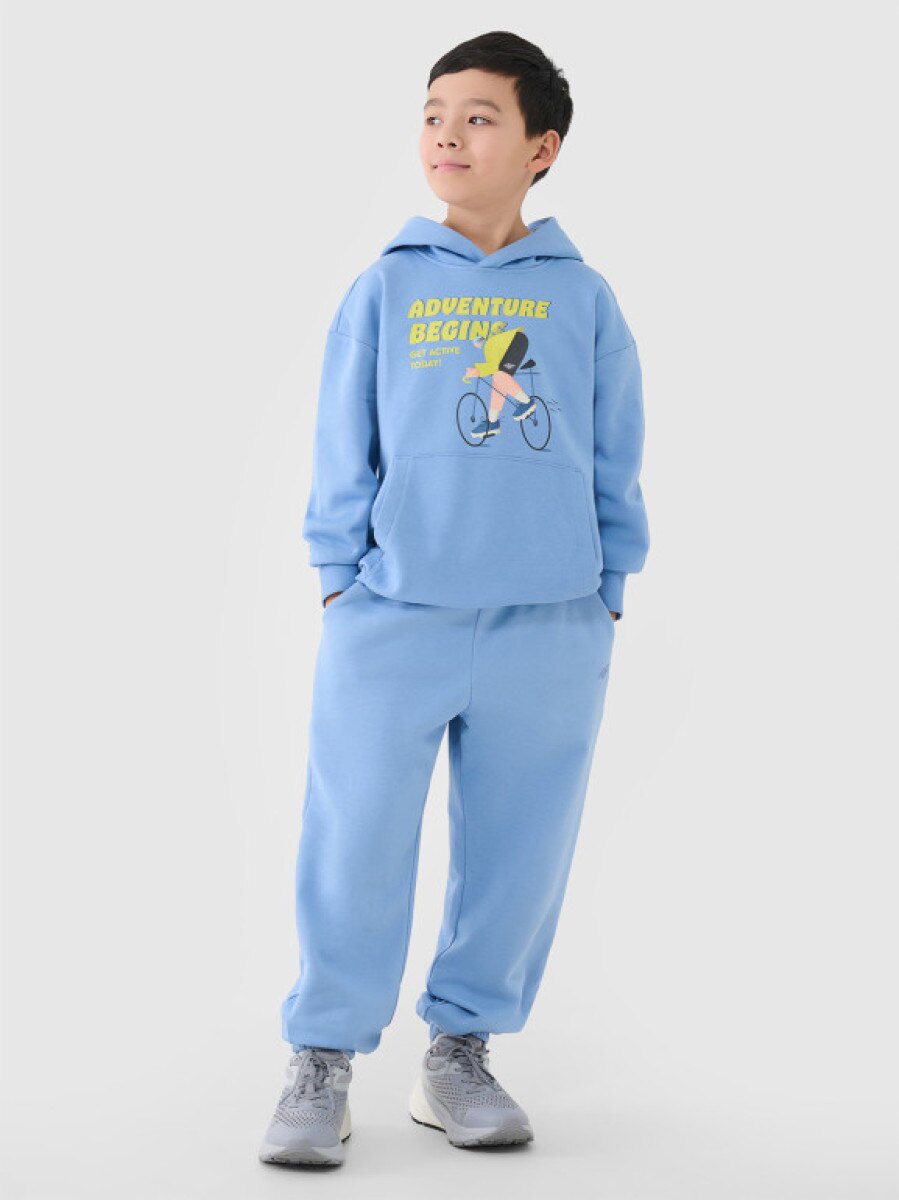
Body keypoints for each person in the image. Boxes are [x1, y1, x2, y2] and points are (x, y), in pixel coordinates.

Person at [259, 29, 651, 1168]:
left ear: (541, 147)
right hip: (392, 616)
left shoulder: (581, 298)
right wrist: (338, 579)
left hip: (549, 624)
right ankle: (322, 1058)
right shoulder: (386, 284)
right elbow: (343, 442)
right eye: (433, 113)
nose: (446, 134)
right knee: (354, 840)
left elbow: (613, 449)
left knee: (520, 851)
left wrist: (608, 586)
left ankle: (459, 1054)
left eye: (478, 116)